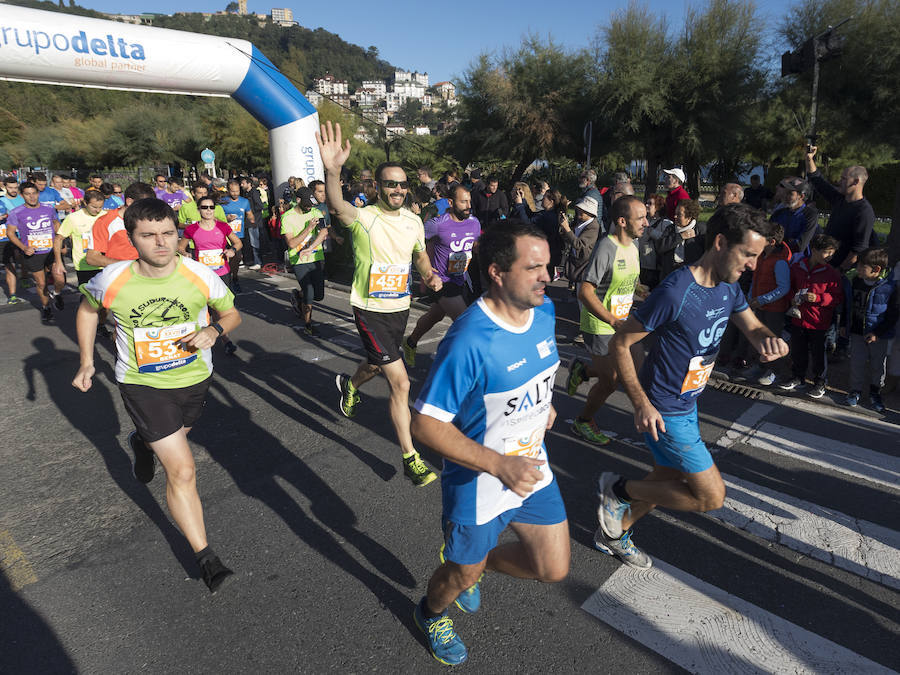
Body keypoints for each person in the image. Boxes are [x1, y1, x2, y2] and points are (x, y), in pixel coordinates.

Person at [410, 221, 569, 666]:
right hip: (481, 483)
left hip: (532, 468)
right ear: (497, 272)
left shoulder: (546, 313)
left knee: (551, 568)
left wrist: (544, 404)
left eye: (549, 266)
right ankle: (430, 613)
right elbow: (425, 426)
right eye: (534, 267)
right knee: (458, 575)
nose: (547, 276)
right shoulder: (469, 340)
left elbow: (534, 375)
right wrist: (499, 466)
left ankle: (477, 566)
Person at [597, 204, 788, 568]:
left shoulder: (729, 287)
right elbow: (620, 344)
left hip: (688, 402)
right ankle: (617, 489)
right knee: (709, 496)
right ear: (720, 242)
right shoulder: (675, 291)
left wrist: (767, 340)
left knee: (666, 478)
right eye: (748, 254)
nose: (752, 265)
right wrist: (641, 403)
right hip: (665, 408)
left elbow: (752, 326)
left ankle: (613, 534)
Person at [73, 197, 241, 593]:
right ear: (132, 239)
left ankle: (142, 443)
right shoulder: (111, 279)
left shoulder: (200, 275)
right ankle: (206, 558)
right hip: (142, 384)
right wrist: (85, 361)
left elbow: (232, 313)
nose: (161, 243)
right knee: (182, 469)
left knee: (178, 436)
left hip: (195, 379)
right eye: (149, 236)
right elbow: (86, 310)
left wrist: (215, 331)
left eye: (168, 234)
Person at [316, 121, 443, 487]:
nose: (398, 189)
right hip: (369, 309)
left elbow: (419, 257)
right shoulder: (365, 218)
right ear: (378, 187)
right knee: (400, 383)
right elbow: (338, 206)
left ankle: (351, 385)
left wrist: (430, 275)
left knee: (377, 364)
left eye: (403, 184)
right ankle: (410, 456)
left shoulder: (414, 221)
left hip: (399, 308)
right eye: (390, 183)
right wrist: (333, 171)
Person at [567, 196, 647, 445]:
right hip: (601, 324)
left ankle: (584, 370)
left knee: (635, 368)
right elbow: (586, 291)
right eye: (641, 218)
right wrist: (612, 320)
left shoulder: (633, 247)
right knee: (611, 381)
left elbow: (629, 283)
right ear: (622, 221)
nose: (646, 222)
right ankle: (583, 421)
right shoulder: (606, 247)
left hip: (623, 323)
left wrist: (642, 291)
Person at [403, 185, 481, 366]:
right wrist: (426, 271)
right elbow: (416, 242)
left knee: (435, 315)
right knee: (464, 322)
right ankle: (447, 359)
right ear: (451, 202)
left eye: (469, 201)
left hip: (461, 278)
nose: (468, 205)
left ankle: (410, 342)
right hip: (440, 281)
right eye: (464, 202)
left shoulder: (474, 223)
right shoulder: (437, 224)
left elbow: (474, 247)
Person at [776, 234, 842, 399]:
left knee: (819, 353)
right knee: (799, 350)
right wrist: (791, 297)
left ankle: (820, 382)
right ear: (814, 250)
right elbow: (789, 286)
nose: (830, 256)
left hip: (819, 321)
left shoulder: (831, 273)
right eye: (827, 252)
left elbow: (837, 297)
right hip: (798, 317)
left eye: (832, 253)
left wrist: (818, 298)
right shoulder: (798, 267)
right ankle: (798, 377)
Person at [179, 194, 242, 355]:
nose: (208, 210)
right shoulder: (191, 229)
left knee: (220, 309)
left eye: (211, 207)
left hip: (221, 273)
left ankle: (225, 339)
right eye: (204, 207)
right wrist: (185, 254)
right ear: (199, 209)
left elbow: (238, 242)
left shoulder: (222, 226)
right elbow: (180, 247)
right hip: (201, 274)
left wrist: (232, 251)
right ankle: (198, 337)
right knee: (201, 307)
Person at [840, 247, 898, 412]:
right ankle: (855, 390)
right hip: (857, 331)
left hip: (878, 335)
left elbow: (892, 315)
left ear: (876, 269)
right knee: (856, 362)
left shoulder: (890, 288)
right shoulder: (854, 281)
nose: (857, 269)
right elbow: (848, 305)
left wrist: (877, 333)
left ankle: (875, 392)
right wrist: (844, 324)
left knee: (877, 365)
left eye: (861, 267)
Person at [5, 181, 63, 322]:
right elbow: (10, 233)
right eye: (27, 194)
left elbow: (56, 223)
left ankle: (56, 293)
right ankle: (46, 307)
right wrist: (23, 247)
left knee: (60, 277)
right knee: (41, 284)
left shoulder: (48, 209)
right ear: (22, 195)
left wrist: (60, 239)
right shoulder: (16, 212)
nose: (31, 197)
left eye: (34, 193)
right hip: (33, 254)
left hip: (50, 250)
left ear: (38, 194)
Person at [281, 186, 335, 336]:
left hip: (316, 257)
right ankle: (308, 324)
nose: (310, 207)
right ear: (298, 200)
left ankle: (298, 296)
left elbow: (324, 231)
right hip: (298, 260)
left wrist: (310, 248)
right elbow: (291, 243)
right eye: (307, 205)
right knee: (309, 293)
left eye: (311, 204)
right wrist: (309, 228)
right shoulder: (287, 217)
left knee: (319, 296)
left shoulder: (316, 212)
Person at [745, 223, 792, 385]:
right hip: (760, 306)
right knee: (760, 339)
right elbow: (755, 280)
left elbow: (783, 288)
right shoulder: (761, 257)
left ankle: (775, 371)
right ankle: (760, 366)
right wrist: (751, 296)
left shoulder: (780, 262)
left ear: (772, 242)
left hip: (774, 309)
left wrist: (762, 299)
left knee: (773, 340)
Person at [53, 189, 107, 289]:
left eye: (100, 207)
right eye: (94, 207)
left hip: (105, 263)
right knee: (87, 297)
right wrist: (58, 262)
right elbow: (58, 239)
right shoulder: (73, 218)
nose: (98, 210)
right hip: (84, 265)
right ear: (85, 203)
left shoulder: (106, 216)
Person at [512, 187, 567, 279]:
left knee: (539, 283)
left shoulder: (548, 216)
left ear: (551, 201)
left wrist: (519, 205)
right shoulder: (547, 213)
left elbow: (527, 224)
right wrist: (523, 200)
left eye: (544, 197)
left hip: (543, 255)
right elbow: (531, 215)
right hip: (545, 254)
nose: (542, 199)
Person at [657, 198, 705, 280]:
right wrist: (680, 236)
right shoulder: (670, 229)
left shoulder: (700, 230)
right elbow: (660, 247)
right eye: (675, 213)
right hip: (670, 273)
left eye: (679, 214)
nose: (675, 216)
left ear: (689, 217)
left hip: (691, 275)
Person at [770, 177, 819, 257]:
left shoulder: (810, 215)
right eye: (786, 192)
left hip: (797, 262)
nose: (785, 196)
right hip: (775, 257)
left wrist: (779, 242)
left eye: (790, 193)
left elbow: (800, 246)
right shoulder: (778, 213)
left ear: (801, 196)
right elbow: (767, 236)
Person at [560, 196, 602, 286]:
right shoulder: (580, 221)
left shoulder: (593, 226)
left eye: (582, 210)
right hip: (576, 261)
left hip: (584, 264)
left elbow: (579, 244)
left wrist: (567, 228)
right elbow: (569, 237)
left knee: (582, 292)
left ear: (590, 212)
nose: (579, 211)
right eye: (579, 209)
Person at [221, 179, 255, 289]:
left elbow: (249, 213)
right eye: (233, 191)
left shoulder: (244, 201)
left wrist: (252, 219)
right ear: (228, 190)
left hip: (238, 235)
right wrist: (226, 218)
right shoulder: (223, 201)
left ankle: (234, 277)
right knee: (225, 258)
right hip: (224, 235)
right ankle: (226, 279)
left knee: (237, 258)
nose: (235, 193)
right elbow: (216, 216)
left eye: (237, 191)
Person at [637, 194, 670, 289]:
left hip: (655, 267)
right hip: (643, 264)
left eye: (650, 204)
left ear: (658, 207)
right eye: (646, 203)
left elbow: (666, 241)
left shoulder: (666, 223)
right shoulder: (645, 221)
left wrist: (652, 232)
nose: (646, 205)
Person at [0, 176, 24, 304]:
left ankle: (23, 278)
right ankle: (13, 295)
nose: (13, 190)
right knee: (10, 265)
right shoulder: (1, 201)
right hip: (4, 237)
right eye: (10, 187)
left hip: (22, 236)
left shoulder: (22, 199)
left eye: (15, 187)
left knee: (18, 261)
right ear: (5, 187)